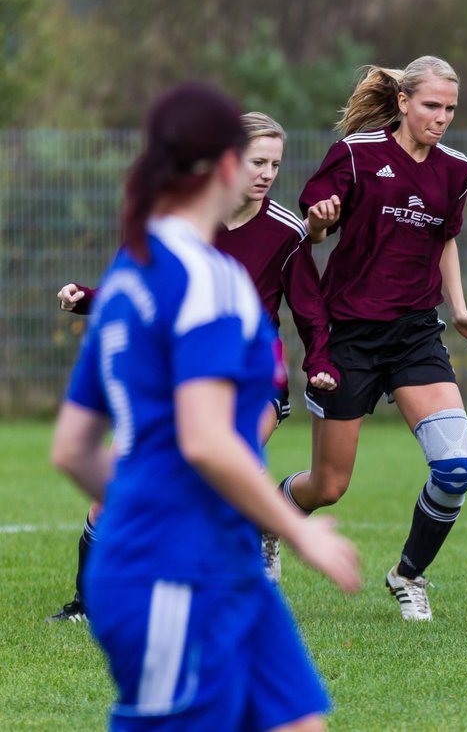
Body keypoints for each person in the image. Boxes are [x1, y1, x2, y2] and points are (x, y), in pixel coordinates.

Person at [50, 82, 360, 731]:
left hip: (224, 561)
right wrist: (297, 528)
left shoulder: (132, 274)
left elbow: (73, 450)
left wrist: (142, 497)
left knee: (299, 721)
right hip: (171, 568)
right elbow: (206, 441)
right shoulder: (208, 279)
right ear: (227, 164)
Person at [277, 56, 467, 622]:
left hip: (416, 334)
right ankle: (268, 524)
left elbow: (445, 240)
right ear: (403, 102)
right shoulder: (356, 154)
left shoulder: (457, 170)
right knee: (328, 486)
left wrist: (462, 309)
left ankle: (408, 575)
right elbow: (316, 230)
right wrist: (323, 219)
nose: (442, 118)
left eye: (450, 108)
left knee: (455, 469)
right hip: (348, 333)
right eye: (431, 105)